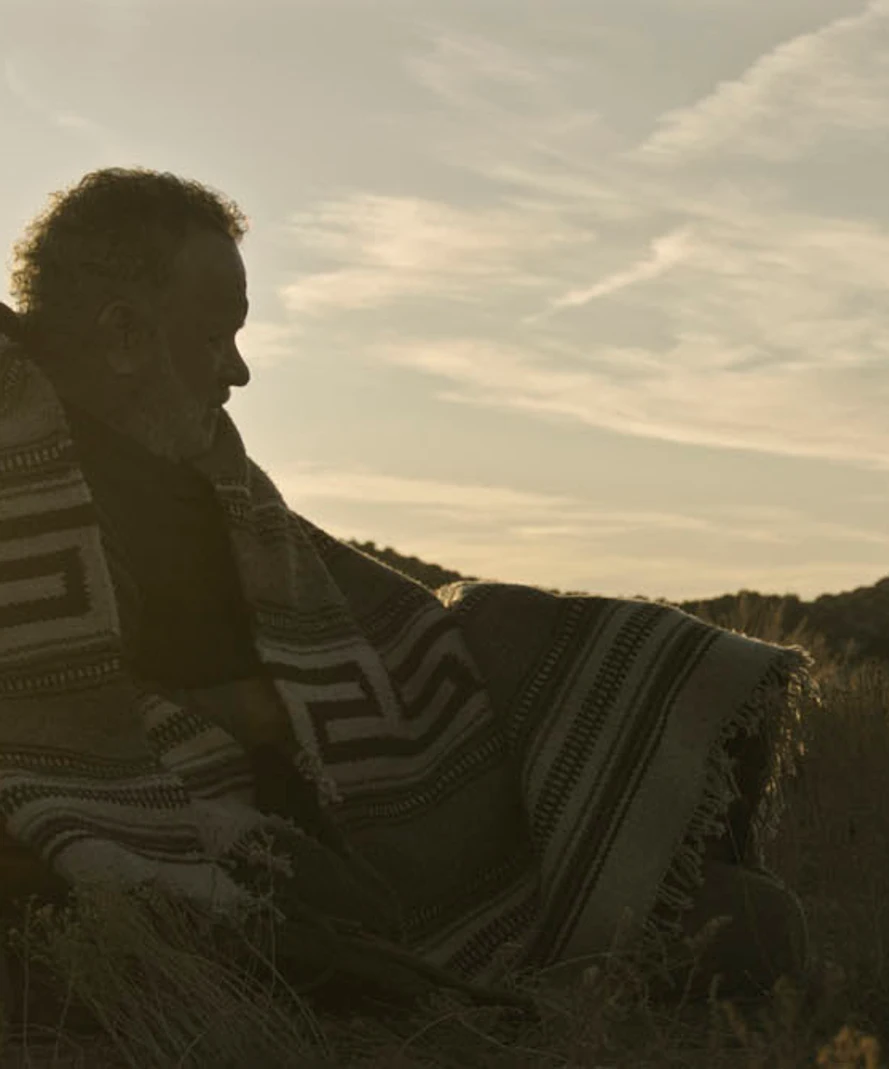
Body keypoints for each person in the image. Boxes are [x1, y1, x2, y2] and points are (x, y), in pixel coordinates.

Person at [0, 167, 808, 1004]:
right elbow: (70, 730)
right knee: (753, 932)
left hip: (403, 811)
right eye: (215, 337)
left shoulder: (203, 469)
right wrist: (264, 712)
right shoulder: (22, 483)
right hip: (291, 874)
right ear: (125, 335)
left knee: (615, 661)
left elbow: (340, 608)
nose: (237, 373)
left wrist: (445, 660)